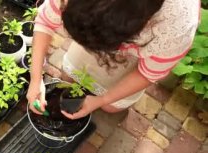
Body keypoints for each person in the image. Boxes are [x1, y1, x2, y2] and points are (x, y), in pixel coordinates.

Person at [27, 0, 200, 120]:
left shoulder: (176, 27)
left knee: (111, 106)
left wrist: (102, 100)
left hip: (141, 45)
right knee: (70, 75)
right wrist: (36, 78)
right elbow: (45, 22)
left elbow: (148, 73)